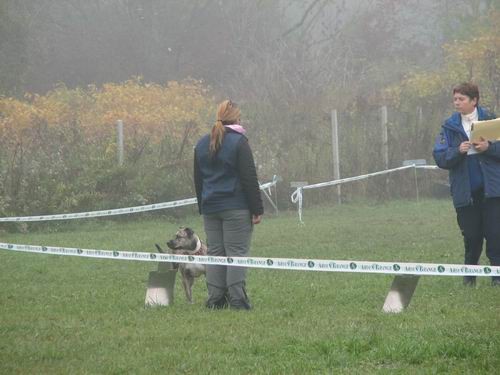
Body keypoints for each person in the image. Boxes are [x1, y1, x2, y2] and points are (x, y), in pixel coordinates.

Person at [194, 99, 263, 309]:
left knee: (215, 253)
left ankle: (215, 299)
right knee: (236, 254)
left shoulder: (202, 143)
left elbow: (198, 179)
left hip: (210, 207)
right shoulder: (239, 142)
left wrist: (203, 205)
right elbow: (249, 177)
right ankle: (238, 300)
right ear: (236, 117)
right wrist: (257, 208)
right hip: (236, 207)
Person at [433, 82, 500, 287]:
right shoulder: (449, 126)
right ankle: (469, 278)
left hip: (492, 191)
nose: (457, 103)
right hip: (465, 192)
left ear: (474, 100)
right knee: (471, 236)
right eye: (455, 99)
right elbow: (440, 157)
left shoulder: (491, 121)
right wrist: (457, 151)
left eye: (461, 99)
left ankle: (497, 278)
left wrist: (489, 147)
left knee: (495, 235)